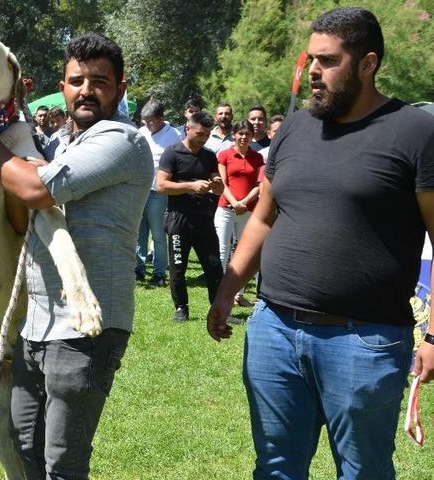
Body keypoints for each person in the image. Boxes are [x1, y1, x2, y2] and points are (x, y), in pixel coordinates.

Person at [207, 8, 434, 479]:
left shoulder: (416, 132)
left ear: (367, 63)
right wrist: (227, 292)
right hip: (274, 331)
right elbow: (263, 217)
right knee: (275, 468)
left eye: (327, 61)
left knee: (363, 471)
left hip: (364, 340)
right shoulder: (294, 128)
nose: (313, 71)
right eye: (310, 59)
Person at [0, 32, 152, 479]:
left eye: (99, 81)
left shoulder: (123, 140)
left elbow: (35, 189)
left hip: (86, 328)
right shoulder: (59, 146)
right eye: (76, 80)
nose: (86, 90)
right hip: (36, 324)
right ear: (62, 88)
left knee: (62, 462)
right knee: (23, 445)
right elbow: (21, 215)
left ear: (120, 89)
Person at [156, 111, 224, 323]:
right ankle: (181, 308)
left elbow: (219, 189)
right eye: (200, 133)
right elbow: (161, 185)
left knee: (214, 266)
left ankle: (219, 309)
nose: (203, 138)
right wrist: (191, 186)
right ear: (188, 128)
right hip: (179, 218)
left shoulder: (209, 155)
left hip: (204, 218)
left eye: (206, 135)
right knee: (178, 267)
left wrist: (217, 182)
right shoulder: (172, 153)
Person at [213, 120, 263, 309]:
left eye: (247, 134)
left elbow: (259, 185)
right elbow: (221, 183)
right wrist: (234, 202)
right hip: (226, 208)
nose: (243, 137)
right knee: (222, 251)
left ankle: (238, 294)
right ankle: (218, 291)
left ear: (252, 136)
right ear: (234, 134)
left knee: (245, 253)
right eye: (240, 133)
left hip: (247, 210)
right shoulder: (225, 155)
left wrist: (244, 203)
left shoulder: (257, 158)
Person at [135, 99, 179, 287]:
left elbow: (178, 162)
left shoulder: (174, 135)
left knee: (158, 234)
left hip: (159, 192)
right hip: (140, 190)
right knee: (139, 233)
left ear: (161, 118)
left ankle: (160, 273)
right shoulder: (141, 132)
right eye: (145, 120)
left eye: (151, 120)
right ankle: (138, 268)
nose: (147, 124)